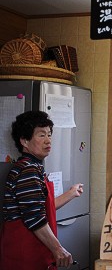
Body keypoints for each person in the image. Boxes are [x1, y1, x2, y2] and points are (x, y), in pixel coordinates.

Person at [0, 111, 84, 269]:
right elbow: (34, 217)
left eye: (49, 135)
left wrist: (71, 193)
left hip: (34, 256)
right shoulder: (28, 170)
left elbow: (42, 206)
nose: (48, 141)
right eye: (41, 135)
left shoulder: (34, 168)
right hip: (24, 259)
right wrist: (58, 249)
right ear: (24, 141)